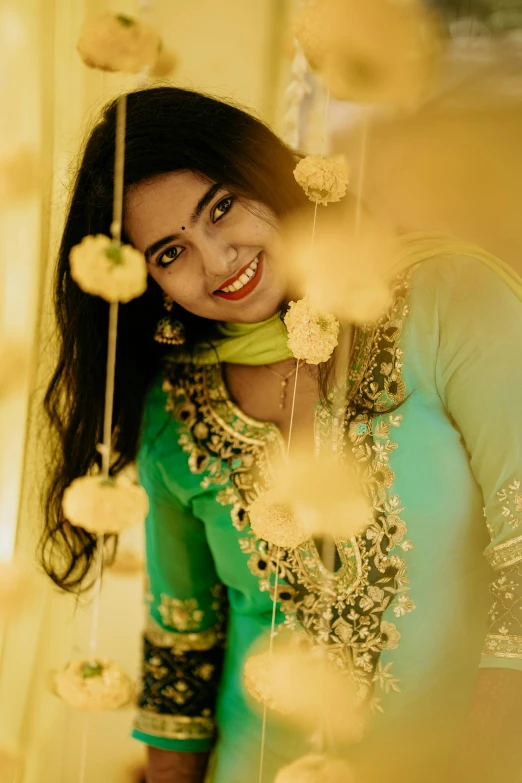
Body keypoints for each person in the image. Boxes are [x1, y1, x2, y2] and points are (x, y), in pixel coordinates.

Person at [42, 86, 522, 783]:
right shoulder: (175, 406)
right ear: (148, 280)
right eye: (171, 251)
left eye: (221, 206)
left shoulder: (448, 299)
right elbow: (184, 642)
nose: (215, 261)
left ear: (266, 174)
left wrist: (482, 756)